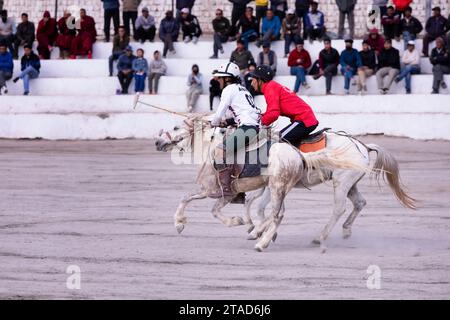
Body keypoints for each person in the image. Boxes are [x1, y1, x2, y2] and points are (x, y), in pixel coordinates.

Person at [209, 62, 261, 199]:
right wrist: (227, 122)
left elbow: (219, 113)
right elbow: (245, 113)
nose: (218, 80)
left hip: (247, 129)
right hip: (253, 126)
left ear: (227, 78)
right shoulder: (242, 89)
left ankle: (227, 190)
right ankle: (238, 189)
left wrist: (213, 123)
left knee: (220, 152)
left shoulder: (228, 90)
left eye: (220, 78)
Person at [251, 65, 318, 146]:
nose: (251, 83)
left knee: (278, 142)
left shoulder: (270, 88)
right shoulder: (272, 86)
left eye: (253, 80)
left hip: (304, 120)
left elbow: (273, 114)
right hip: (305, 119)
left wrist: (258, 125)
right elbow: (270, 112)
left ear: (260, 80)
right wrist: (258, 117)